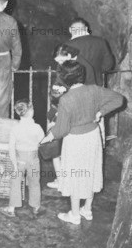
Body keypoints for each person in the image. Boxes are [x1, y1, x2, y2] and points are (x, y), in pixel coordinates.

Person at [40, 61, 123, 225]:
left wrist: (46, 138)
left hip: (75, 141)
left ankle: (75, 215)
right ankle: (87, 209)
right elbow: (119, 99)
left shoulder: (66, 99)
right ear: (81, 75)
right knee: (90, 172)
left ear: (64, 79)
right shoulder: (93, 90)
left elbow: (61, 130)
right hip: (93, 137)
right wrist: (100, 112)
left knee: (75, 176)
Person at [0, 100, 44, 217]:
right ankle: (36, 207)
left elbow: (11, 148)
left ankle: (11, 209)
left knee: (15, 183)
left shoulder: (15, 129)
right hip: (34, 160)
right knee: (34, 183)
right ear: (31, 112)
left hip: (19, 160)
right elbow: (42, 141)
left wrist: (14, 165)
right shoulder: (37, 127)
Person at [68, 18, 114, 86]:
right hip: (97, 84)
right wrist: (97, 72)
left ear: (70, 30)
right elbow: (109, 64)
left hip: (76, 87)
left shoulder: (67, 45)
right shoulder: (101, 41)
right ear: (86, 28)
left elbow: (64, 68)